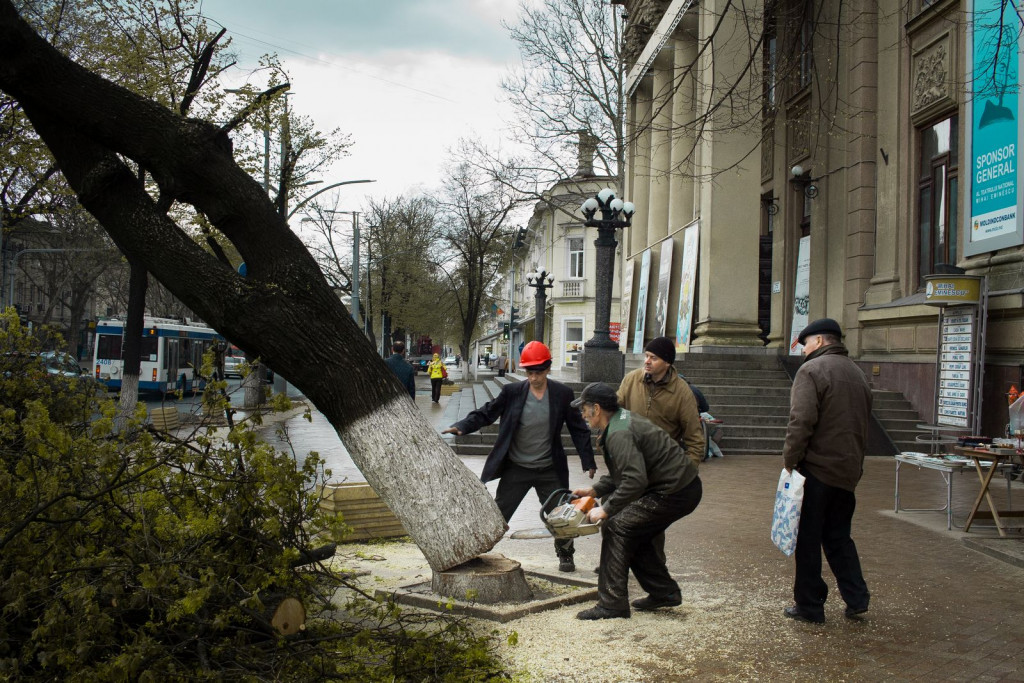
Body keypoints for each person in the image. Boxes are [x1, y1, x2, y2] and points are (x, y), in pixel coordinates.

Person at [442, 341, 596, 572]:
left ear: (548, 369)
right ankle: (474, 551)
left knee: (561, 514)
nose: (534, 378)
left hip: (549, 468)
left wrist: (588, 460)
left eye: (539, 372)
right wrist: (463, 426)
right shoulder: (512, 392)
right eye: (530, 372)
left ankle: (566, 555)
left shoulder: (561, 394)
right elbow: (488, 412)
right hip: (517, 467)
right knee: (499, 513)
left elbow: (578, 428)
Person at [570, 382, 702, 620]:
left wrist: (607, 510)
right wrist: (594, 491)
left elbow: (634, 480)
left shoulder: (619, 432)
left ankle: (611, 604)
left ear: (597, 409)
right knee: (634, 532)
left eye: (584, 409)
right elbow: (624, 470)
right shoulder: (620, 421)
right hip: (679, 486)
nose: (582, 414)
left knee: (616, 526)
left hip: (675, 490)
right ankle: (664, 592)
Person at [782, 318, 872, 624]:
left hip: (817, 470)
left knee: (808, 540)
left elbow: (801, 421)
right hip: (847, 472)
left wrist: (790, 460)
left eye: (806, 343)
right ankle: (857, 597)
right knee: (838, 537)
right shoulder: (857, 373)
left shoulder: (811, 370)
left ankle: (809, 605)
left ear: (819, 342)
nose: (804, 350)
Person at [617, 336, 705, 467]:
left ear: (667, 363)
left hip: (663, 464)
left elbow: (694, 438)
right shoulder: (631, 380)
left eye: (654, 358)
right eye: (646, 356)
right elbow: (613, 412)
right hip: (630, 459)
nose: (647, 361)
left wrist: (686, 471)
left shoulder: (682, 392)